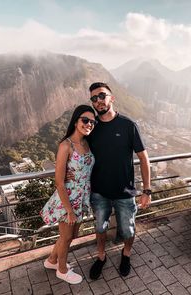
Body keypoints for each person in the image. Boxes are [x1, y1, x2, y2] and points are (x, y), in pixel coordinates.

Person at [87, 82, 151, 280]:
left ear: (111, 98)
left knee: (128, 228)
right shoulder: (91, 127)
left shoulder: (128, 125)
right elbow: (78, 153)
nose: (98, 101)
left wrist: (147, 190)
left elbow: (143, 158)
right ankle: (101, 256)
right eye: (94, 98)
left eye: (102, 96)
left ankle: (126, 254)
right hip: (98, 192)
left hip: (125, 192)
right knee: (99, 228)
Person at [40, 104, 96, 284]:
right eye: (85, 120)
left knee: (71, 236)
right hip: (68, 199)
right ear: (76, 121)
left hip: (81, 197)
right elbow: (59, 182)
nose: (88, 124)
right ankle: (62, 270)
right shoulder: (66, 145)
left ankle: (52, 261)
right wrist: (69, 210)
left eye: (92, 122)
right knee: (66, 237)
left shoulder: (87, 142)